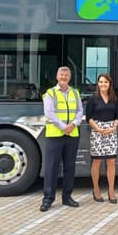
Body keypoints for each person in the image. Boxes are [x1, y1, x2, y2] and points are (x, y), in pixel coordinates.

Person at [40, 66, 83, 211]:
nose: (64, 77)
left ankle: (67, 197)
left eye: (66, 75)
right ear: (57, 77)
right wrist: (63, 126)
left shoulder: (75, 93)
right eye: (61, 75)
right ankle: (48, 199)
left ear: (69, 77)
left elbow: (80, 111)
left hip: (72, 135)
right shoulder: (50, 93)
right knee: (52, 167)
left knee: (70, 167)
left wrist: (74, 124)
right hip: (55, 135)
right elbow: (49, 113)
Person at [86, 73, 118, 203]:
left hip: (111, 131)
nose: (103, 84)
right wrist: (99, 129)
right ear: (98, 84)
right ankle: (96, 189)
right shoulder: (92, 99)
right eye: (100, 82)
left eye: (106, 82)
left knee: (111, 162)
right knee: (97, 162)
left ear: (109, 84)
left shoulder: (113, 99)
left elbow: (117, 117)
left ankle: (111, 191)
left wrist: (113, 127)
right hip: (97, 131)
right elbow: (88, 118)